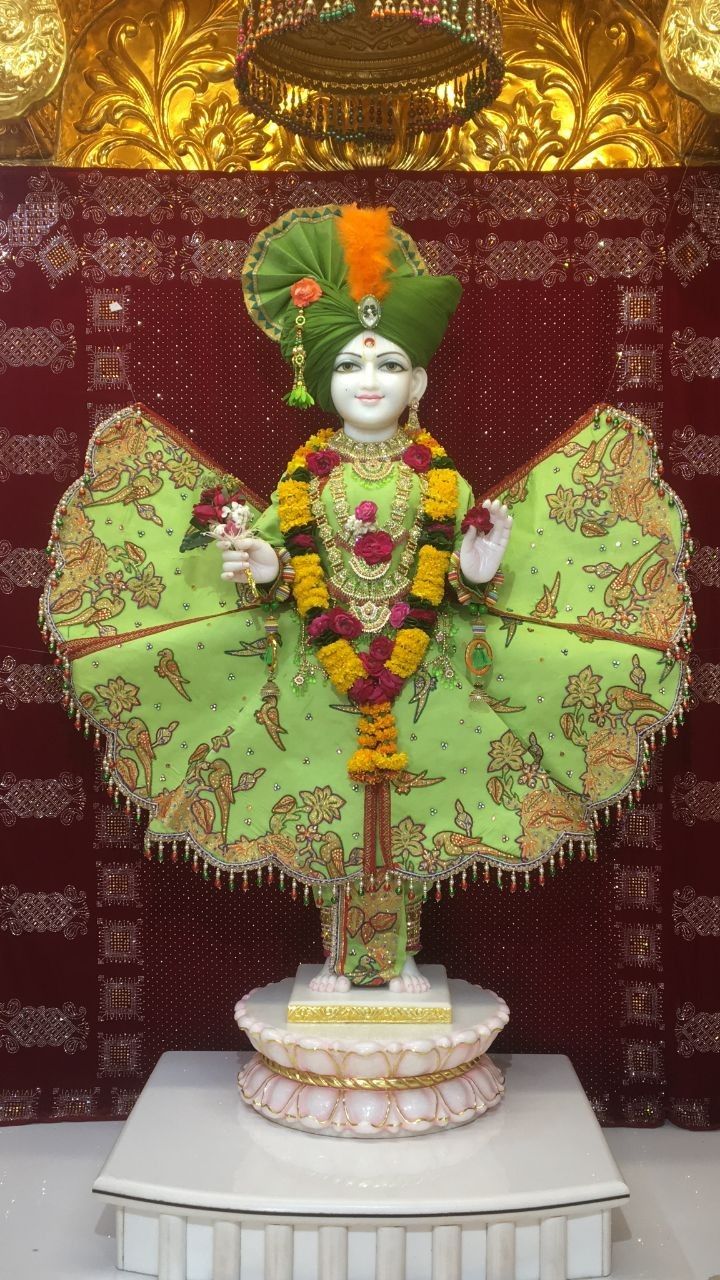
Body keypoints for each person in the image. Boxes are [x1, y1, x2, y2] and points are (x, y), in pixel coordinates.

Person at [42, 204, 693, 993]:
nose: (369, 381)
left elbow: (454, 565)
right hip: (317, 666)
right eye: (349, 365)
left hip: (427, 671)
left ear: (417, 380)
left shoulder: (438, 476)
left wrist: (482, 562)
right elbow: (287, 560)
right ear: (321, 383)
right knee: (326, 812)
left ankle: (402, 960)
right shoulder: (305, 471)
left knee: (413, 817)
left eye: (386, 365)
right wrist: (258, 562)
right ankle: (343, 964)